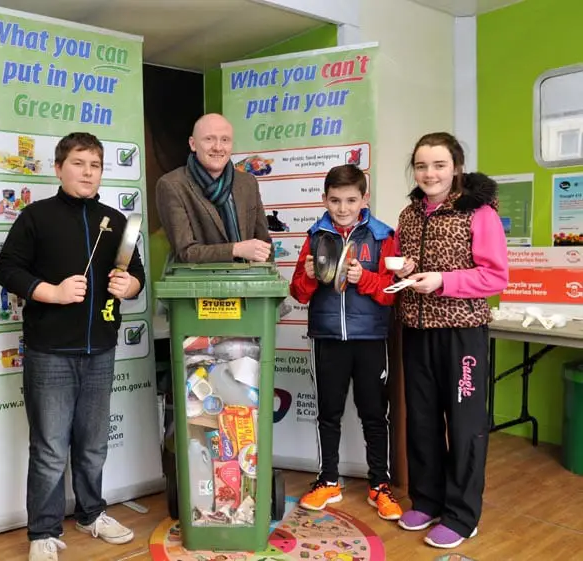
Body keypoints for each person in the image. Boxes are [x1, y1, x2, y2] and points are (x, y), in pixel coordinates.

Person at [0, 132, 144, 561]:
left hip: (100, 349)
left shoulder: (116, 221)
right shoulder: (35, 217)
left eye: (95, 165)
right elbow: (7, 270)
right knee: (49, 447)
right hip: (49, 353)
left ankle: (91, 513)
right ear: (59, 168)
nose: (88, 172)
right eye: (79, 163)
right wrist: (50, 292)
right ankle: (42, 530)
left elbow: (136, 276)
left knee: (94, 443)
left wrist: (129, 284)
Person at [394, 132, 508, 549]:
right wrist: (405, 268)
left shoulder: (479, 212)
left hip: (462, 333)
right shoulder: (409, 215)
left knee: (464, 426)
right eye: (422, 165)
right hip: (417, 329)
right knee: (421, 421)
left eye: (439, 165)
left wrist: (443, 280)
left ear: (456, 167)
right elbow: (410, 270)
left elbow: (495, 276)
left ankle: (462, 515)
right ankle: (427, 500)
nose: (430, 173)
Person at [290, 164, 402, 521]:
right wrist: (308, 278)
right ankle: (328, 480)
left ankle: (380, 485)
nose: (342, 208)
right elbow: (298, 293)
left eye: (351, 200)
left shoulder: (383, 236)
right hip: (327, 338)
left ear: (364, 198)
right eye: (335, 200)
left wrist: (365, 278)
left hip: (369, 338)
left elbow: (391, 294)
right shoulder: (315, 235)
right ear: (324, 199)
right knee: (328, 413)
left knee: (374, 413)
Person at [155, 113, 271, 263]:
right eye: (209, 139)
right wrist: (236, 249)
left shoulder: (247, 182)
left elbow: (264, 244)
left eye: (225, 140)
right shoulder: (172, 185)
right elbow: (185, 252)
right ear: (193, 144)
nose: (218, 147)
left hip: (245, 282)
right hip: (198, 284)